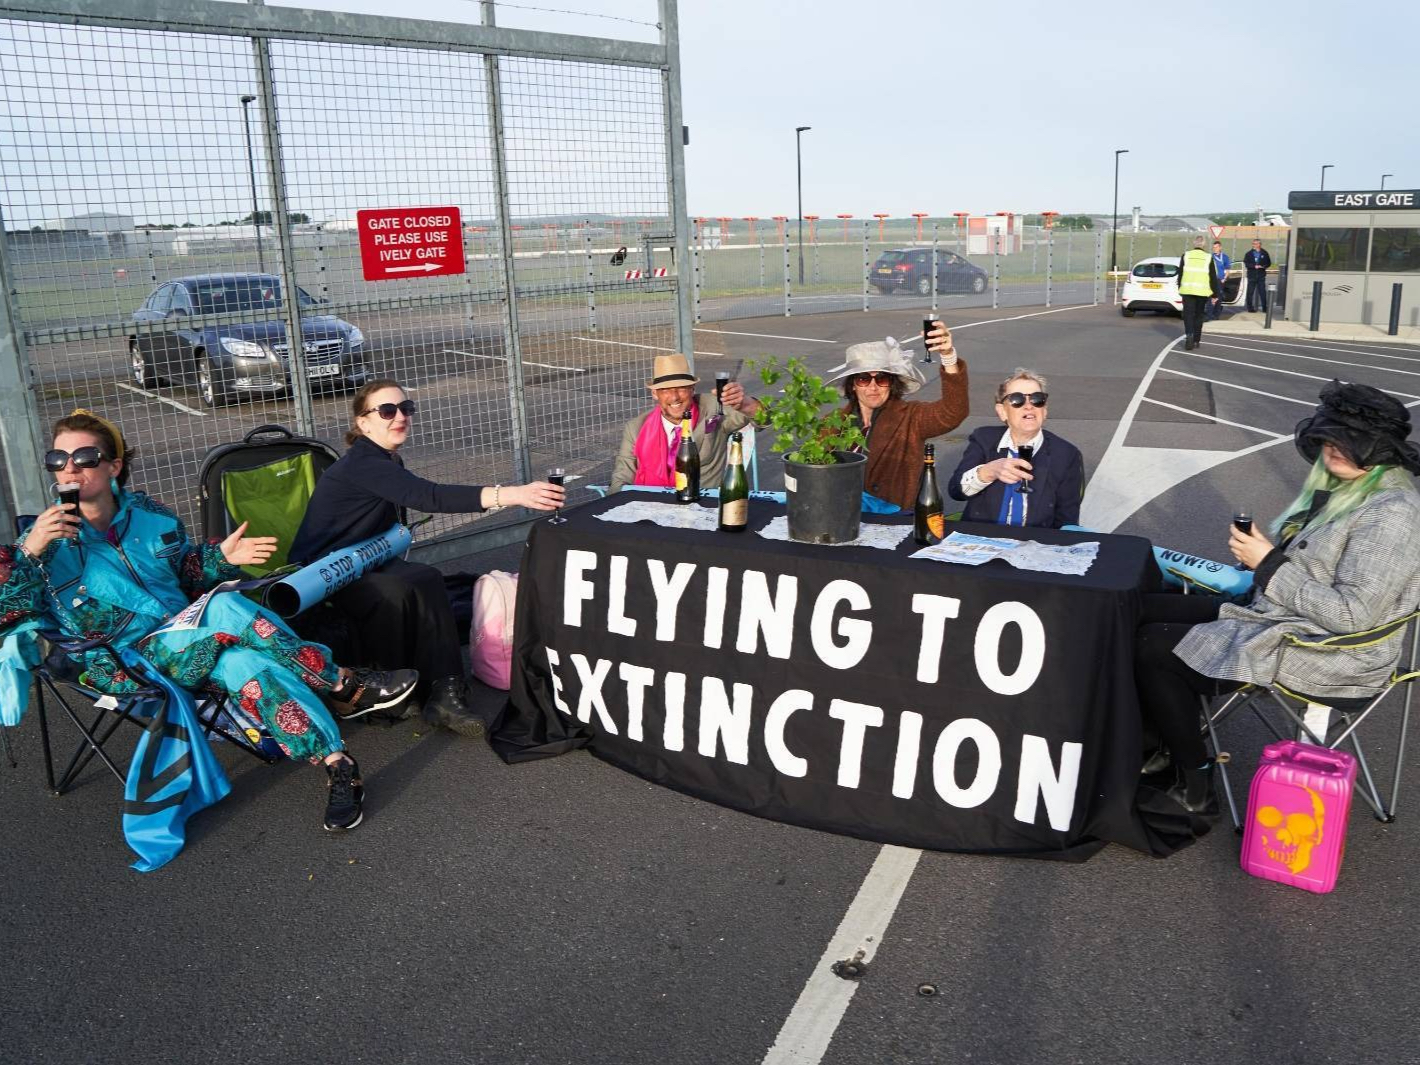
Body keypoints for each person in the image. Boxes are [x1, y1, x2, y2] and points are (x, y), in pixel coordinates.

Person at [0, 410, 416, 831]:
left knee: (240, 664)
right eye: (58, 459)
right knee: (223, 611)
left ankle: (337, 762)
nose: (69, 469)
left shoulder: (151, 515)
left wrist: (221, 559)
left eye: (85, 457)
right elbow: (6, 614)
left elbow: (186, 572)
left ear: (114, 466)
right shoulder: (42, 543)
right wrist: (30, 550)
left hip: (187, 631)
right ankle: (343, 683)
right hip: (121, 660)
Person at [1134, 381, 1420, 814]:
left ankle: (1193, 777)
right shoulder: (1351, 490)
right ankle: (1163, 742)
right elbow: (1316, 569)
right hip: (1283, 614)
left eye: (1351, 441)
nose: (1334, 447)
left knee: (1153, 647)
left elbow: (1353, 614)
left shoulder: (1393, 512)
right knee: (1134, 611)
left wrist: (1268, 563)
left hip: (1330, 651)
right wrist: (1267, 558)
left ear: (1383, 452)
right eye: (1329, 436)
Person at [289, 379, 564, 738]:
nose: (400, 416)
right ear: (363, 422)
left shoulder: (386, 457)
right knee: (399, 586)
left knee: (425, 578)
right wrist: (514, 494)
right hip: (322, 576)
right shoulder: (362, 463)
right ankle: (398, 687)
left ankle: (445, 690)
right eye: (387, 411)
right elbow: (428, 496)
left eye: (407, 408)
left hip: (361, 559)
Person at [825, 324, 969, 510]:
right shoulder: (832, 422)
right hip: (839, 514)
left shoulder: (911, 417)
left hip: (892, 520)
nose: (873, 387)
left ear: (892, 384)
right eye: (863, 379)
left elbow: (953, 412)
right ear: (852, 385)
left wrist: (948, 356)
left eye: (882, 379)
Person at [947, 369, 1083, 528]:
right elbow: (956, 491)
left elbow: (1067, 521)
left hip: (1034, 543)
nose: (1028, 406)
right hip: (982, 537)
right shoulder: (984, 439)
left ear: (1044, 410)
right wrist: (988, 472)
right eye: (1017, 399)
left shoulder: (1066, 454)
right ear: (1002, 411)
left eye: (1037, 399)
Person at [610, 353, 762, 494]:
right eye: (665, 390)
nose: (674, 397)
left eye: (681, 388)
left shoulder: (714, 408)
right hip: (648, 506)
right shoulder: (636, 427)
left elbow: (765, 419)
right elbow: (622, 475)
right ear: (655, 394)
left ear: (692, 389)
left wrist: (746, 405)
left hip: (701, 506)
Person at [1177, 235, 1220, 351]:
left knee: (1188, 315)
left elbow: (1180, 273)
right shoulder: (1208, 257)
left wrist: (1179, 288)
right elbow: (1212, 277)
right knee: (1199, 315)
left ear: (1193, 244)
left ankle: (1189, 335)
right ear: (1204, 245)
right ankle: (1196, 340)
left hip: (1187, 291)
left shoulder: (1186, 255)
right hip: (1202, 292)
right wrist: (1215, 295)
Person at [1243, 238, 1272, 313]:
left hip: (1261, 276)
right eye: (1253, 243)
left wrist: (1263, 266)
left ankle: (1264, 308)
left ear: (1259, 244)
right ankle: (1250, 308)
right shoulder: (1249, 253)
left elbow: (1268, 263)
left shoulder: (1264, 253)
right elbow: (1246, 263)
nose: (1254, 245)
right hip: (1251, 276)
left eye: (1255, 244)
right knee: (1250, 292)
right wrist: (1253, 266)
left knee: (1262, 292)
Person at [1204, 240, 1231, 321]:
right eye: (1213, 247)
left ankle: (1216, 315)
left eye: (1216, 247)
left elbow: (1227, 269)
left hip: (1220, 280)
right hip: (1211, 280)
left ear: (1220, 247)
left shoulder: (1225, 257)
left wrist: (1224, 279)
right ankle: (1209, 315)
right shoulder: (1210, 257)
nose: (1214, 249)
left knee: (1218, 298)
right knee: (1211, 297)